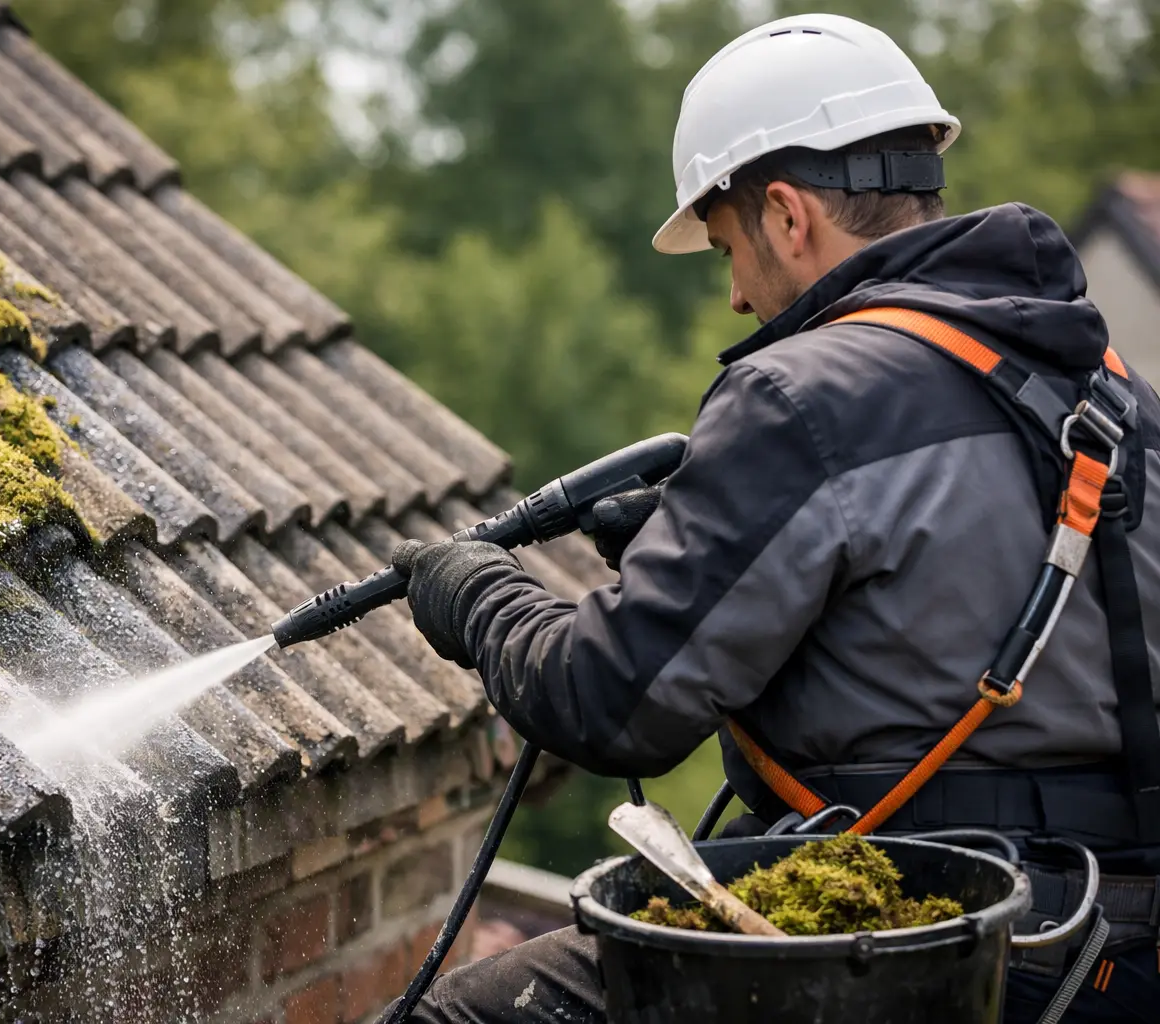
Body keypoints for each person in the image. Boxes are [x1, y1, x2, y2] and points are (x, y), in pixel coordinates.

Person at [382, 12, 1160, 1024]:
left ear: (788, 216)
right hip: (1117, 947)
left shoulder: (805, 392)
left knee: (463, 1013)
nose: (741, 300)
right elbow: (950, 621)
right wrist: (709, 550)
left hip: (930, 944)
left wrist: (476, 597)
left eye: (723, 251)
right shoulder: (1111, 388)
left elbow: (607, 703)